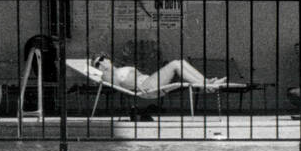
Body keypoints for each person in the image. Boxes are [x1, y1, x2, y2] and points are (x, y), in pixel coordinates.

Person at [91, 53, 225, 94]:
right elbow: (116, 84)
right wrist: (100, 71)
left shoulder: (118, 69)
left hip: (149, 81)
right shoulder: (107, 76)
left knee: (180, 62)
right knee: (174, 64)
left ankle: (207, 83)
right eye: (98, 64)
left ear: (108, 58)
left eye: (102, 59)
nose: (101, 63)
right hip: (146, 87)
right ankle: (205, 86)